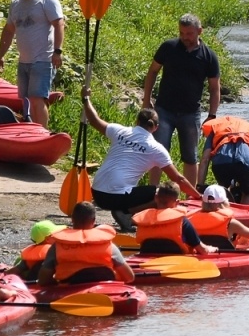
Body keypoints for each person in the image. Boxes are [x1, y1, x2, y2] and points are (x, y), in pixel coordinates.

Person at [82, 89, 200, 229]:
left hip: (97, 193)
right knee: (161, 193)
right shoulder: (156, 148)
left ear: (137, 121)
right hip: (116, 198)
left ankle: (125, 211)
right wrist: (198, 196)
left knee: (137, 189)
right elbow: (178, 179)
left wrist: (85, 99)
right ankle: (126, 213)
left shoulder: (119, 131)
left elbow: (94, 120)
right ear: (156, 128)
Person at [142, 13, 220, 184]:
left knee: (190, 157)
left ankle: (190, 197)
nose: (185, 37)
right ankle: (152, 192)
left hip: (191, 113)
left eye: (189, 34)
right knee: (158, 153)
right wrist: (146, 99)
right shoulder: (168, 47)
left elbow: (215, 88)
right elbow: (152, 71)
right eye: (182, 33)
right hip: (164, 110)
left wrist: (212, 115)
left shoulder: (209, 56)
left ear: (200, 31)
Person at [0, 0, 65, 127]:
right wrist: (0, 55)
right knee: (27, 99)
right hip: (24, 60)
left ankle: (41, 134)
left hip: (43, 58)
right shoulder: (15, 4)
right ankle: (33, 131)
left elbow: (59, 24)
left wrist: (57, 51)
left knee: (37, 98)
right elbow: (8, 30)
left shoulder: (47, 0)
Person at [37, 202, 136, 287]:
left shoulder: (57, 246)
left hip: (68, 290)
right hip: (104, 290)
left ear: (72, 219)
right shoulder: (109, 245)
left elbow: (43, 281)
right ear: (93, 221)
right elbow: (129, 277)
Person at [130, 182, 216, 256]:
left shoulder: (143, 220)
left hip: (146, 259)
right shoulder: (183, 222)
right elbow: (203, 250)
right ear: (177, 202)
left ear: (156, 198)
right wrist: (211, 249)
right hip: (177, 261)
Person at [188, 184, 249, 250]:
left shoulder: (190, 220)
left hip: (199, 255)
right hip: (223, 255)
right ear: (224, 202)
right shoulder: (231, 223)